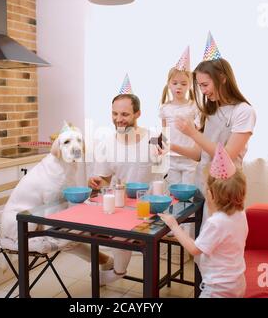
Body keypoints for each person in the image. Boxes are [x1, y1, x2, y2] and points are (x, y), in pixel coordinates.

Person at [170, 32, 256, 228]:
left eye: (205, 85)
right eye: (200, 86)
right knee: (203, 243)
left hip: (226, 189)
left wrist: (193, 133)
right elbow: (200, 155)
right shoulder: (210, 111)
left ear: (223, 79)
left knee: (220, 245)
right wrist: (170, 146)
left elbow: (226, 156)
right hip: (204, 186)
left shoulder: (244, 112)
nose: (203, 91)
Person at [88, 74, 164, 285]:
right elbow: (104, 179)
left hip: (150, 204)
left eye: (124, 114)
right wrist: (96, 182)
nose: (118, 119)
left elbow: (167, 174)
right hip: (120, 203)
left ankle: (117, 272)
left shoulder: (155, 138)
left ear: (138, 113)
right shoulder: (106, 143)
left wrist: (163, 157)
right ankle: (116, 268)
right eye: (114, 114)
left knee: (124, 233)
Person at [159, 143, 248, 298]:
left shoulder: (216, 223)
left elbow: (194, 249)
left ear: (210, 195)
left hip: (218, 289)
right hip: (237, 283)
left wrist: (174, 225)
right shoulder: (240, 214)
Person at [159, 46, 198, 185]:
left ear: (190, 86)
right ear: (169, 85)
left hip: (189, 158)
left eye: (183, 83)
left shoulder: (193, 106)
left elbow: (198, 133)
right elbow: (164, 132)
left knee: (189, 193)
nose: (178, 87)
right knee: (174, 193)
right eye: (175, 83)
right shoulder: (165, 108)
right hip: (171, 158)